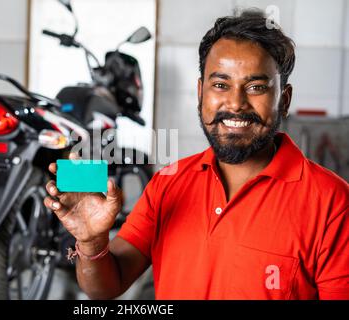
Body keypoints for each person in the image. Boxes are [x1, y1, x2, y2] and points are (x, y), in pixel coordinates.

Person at [44, 9, 349, 299]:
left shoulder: (331, 201)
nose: (235, 103)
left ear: (283, 99)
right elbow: (106, 287)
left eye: (256, 87)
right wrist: (91, 242)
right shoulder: (167, 184)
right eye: (220, 85)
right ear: (201, 92)